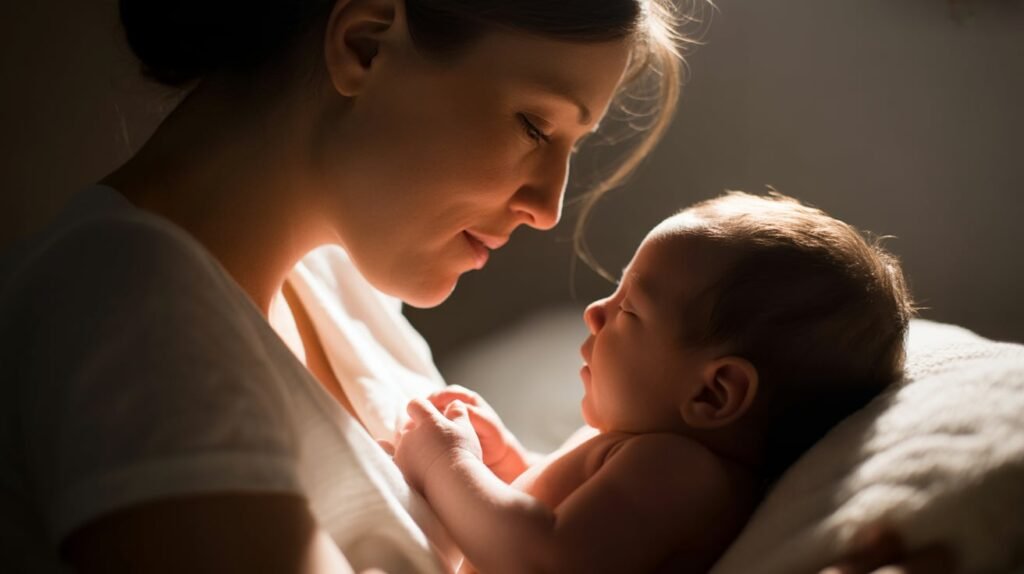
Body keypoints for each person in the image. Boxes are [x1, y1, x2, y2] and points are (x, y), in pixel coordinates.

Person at [0, 0, 952, 570]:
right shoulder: (129, 303)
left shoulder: (340, 294)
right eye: (537, 128)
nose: (547, 206)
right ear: (366, 42)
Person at [390, 192, 915, 573]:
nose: (596, 312)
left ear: (714, 393)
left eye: (630, 309)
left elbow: (543, 559)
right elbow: (558, 515)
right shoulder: (648, 454)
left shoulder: (680, 471)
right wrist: (509, 464)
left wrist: (447, 464)